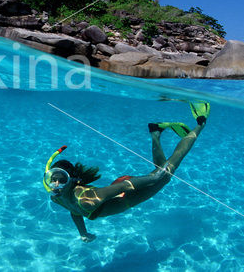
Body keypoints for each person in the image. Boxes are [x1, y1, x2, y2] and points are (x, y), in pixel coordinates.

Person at [43, 102, 210, 242]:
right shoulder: (57, 198)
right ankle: (155, 132)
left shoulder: (88, 200)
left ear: (72, 180)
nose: (55, 184)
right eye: (52, 178)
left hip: (126, 195)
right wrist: (83, 233)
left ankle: (200, 123)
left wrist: (154, 177)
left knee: (166, 174)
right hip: (117, 191)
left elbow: (125, 186)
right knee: (161, 172)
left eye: (61, 179)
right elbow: (74, 211)